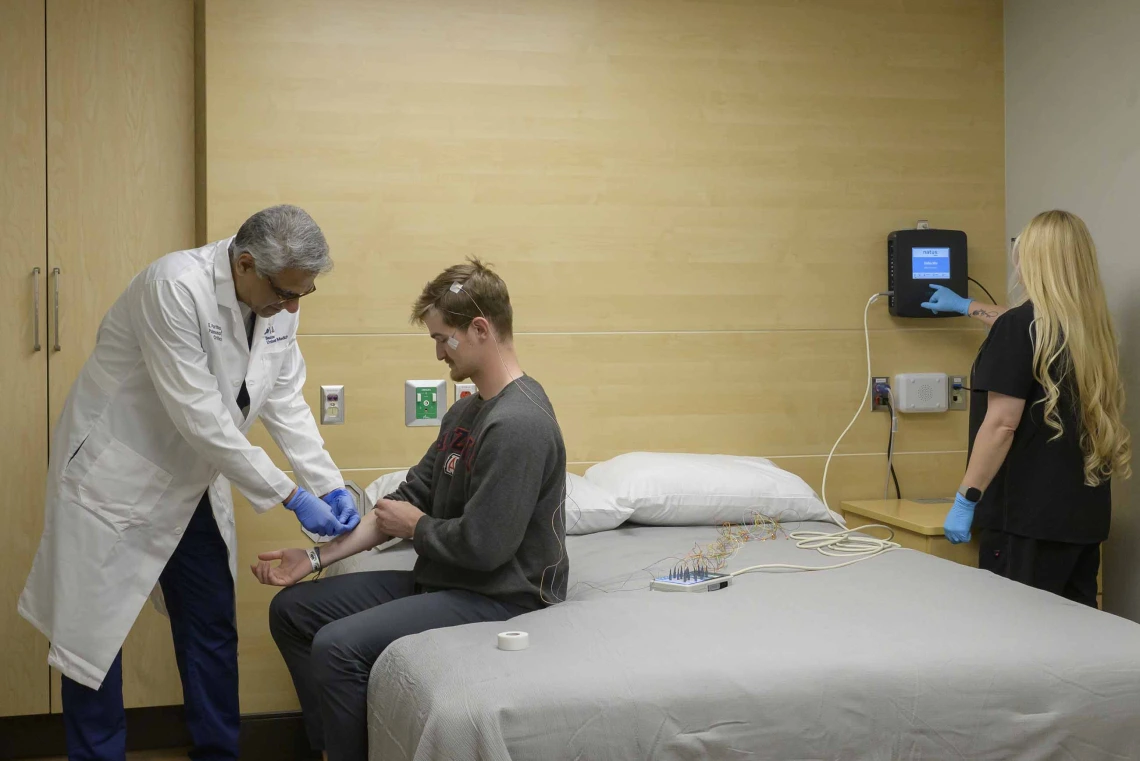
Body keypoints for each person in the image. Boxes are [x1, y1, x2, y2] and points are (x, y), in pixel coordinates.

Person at [18, 205, 360, 761]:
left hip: (193, 480)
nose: (293, 307)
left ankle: (218, 754)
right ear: (245, 264)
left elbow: (282, 397)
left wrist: (327, 483)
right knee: (92, 638)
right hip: (117, 475)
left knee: (210, 626)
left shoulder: (277, 302)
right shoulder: (174, 287)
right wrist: (289, 495)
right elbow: (200, 415)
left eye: (305, 295)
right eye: (286, 293)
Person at [254, 257, 568, 761]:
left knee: (337, 647)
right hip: (449, 579)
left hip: (502, 595)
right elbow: (409, 498)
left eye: (445, 339)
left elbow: (486, 548)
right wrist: (314, 560)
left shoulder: (520, 424)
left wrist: (418, 528)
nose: (440, 354)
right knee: (292, 612)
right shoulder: (467, 410)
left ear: (481, 329)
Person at [921, 210, 1131, 606]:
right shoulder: (1092, 330)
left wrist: (966, 498)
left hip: (1024, 522)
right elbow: (1030, 329)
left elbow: (1001, 425)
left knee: (1018, 639)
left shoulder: (1019, 327)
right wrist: (968, 305)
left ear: (1033, 259)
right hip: (1082, 519)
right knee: (1074, 640)